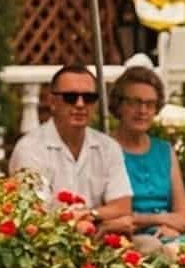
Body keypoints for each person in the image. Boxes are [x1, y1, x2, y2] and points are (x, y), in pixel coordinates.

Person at [9, 65, 134, 236]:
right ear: (52, 102)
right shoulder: (30, 148)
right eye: (70, 97)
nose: (80, 104)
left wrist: (91, 215)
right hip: (46, 246)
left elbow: (122, 206)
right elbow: (34, 214)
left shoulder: (108, 147)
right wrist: (98, 221)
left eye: (89, 98)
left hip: (98, 239)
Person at [109, 66, 185, 258]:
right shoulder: (107, 149)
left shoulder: (164, 150)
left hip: (169, 235)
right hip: (126, 239)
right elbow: (119, 218)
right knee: (157, 250)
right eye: (135, 102)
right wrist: (163, 220)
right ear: (119, 105)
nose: (143, 110)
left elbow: (183, 216)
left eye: (150, 104)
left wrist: (168, 226)